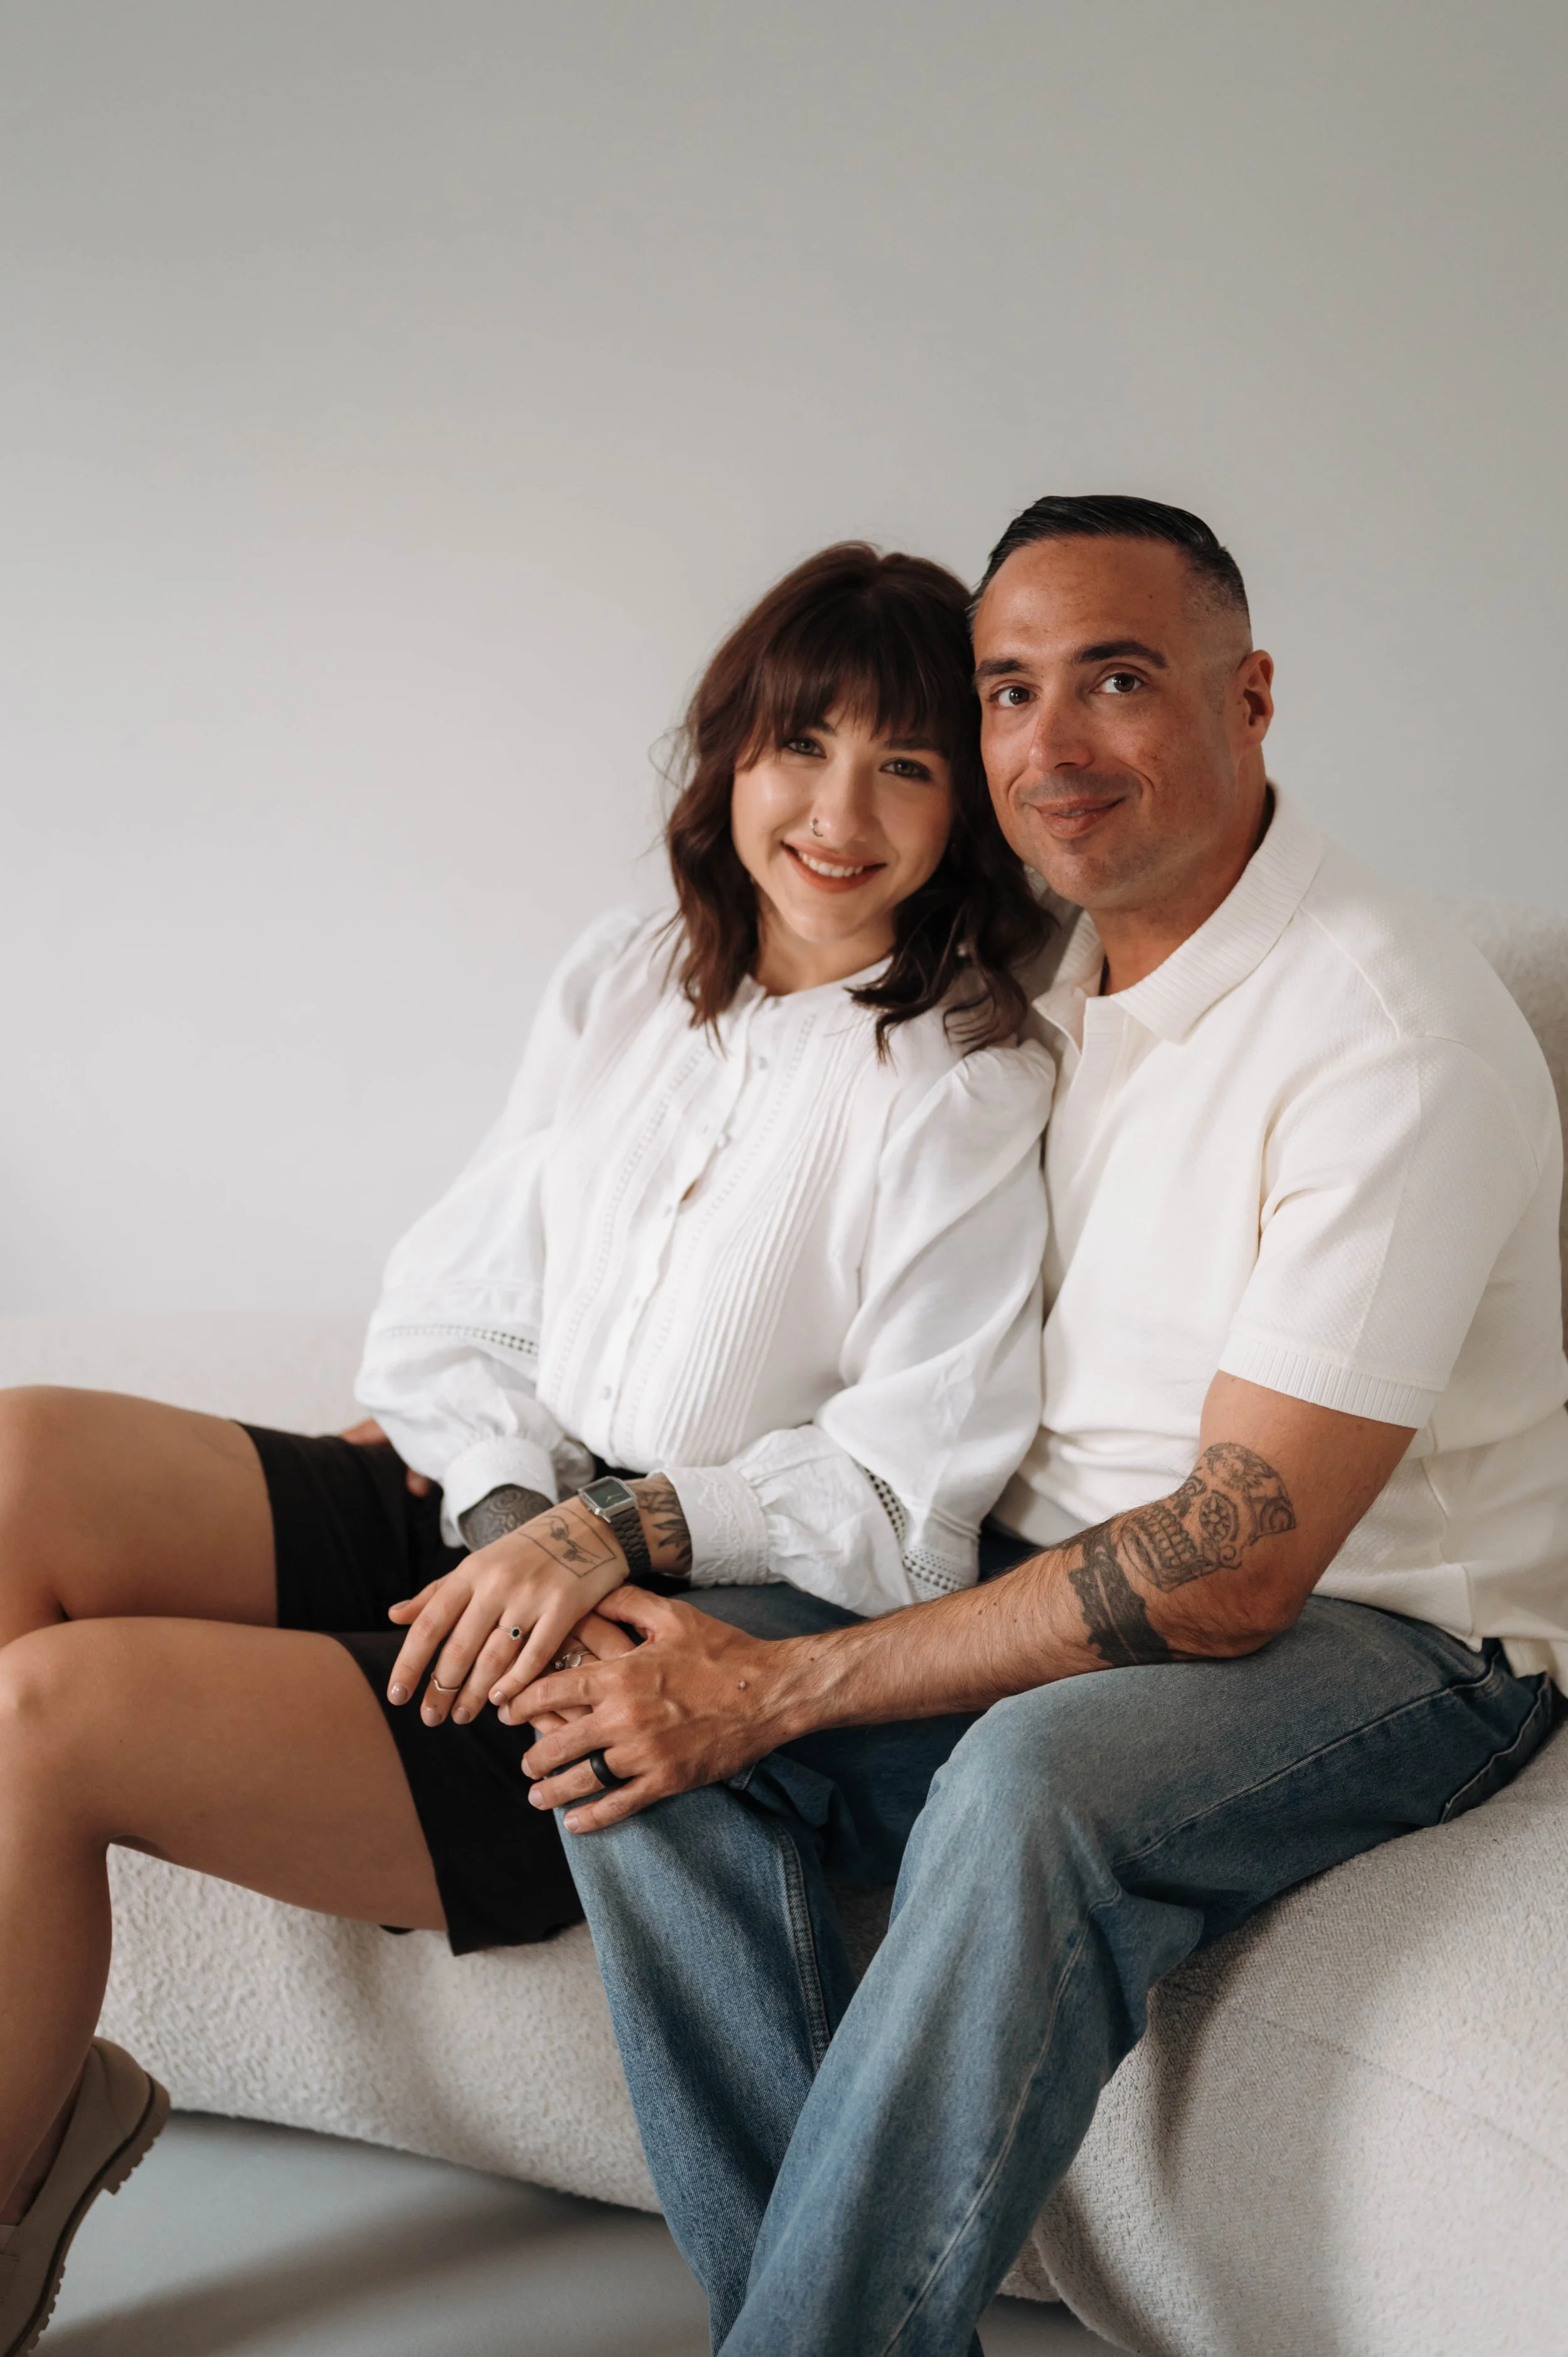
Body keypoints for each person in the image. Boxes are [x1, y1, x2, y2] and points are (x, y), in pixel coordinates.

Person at [520, 496, 1568, 2357]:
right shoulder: (1060, 967)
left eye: (1116, 679)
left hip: (1391, 1633)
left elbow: (1239, 1560)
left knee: (1022, 1786)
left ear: (1249, 701)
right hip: (1051, 1573)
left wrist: (789, 1687)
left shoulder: (1380, 1033)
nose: (1049, 742)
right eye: (1008, 690)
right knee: (622, 1708)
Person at [0, 543, 1058, 2357]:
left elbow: (905, 1498)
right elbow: (450, 1305)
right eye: (798, 743)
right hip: (477, 1498)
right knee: (16, 1463)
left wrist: (601, 1546)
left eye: (905, 763)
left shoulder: (968, 1079)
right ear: (727, 754)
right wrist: (503, 1512)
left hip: (652, 1610)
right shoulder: (640, 971)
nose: (834, 809)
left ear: (962, 807)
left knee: (51, 1714)